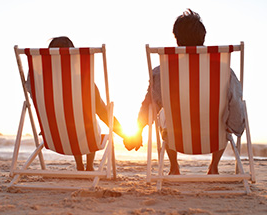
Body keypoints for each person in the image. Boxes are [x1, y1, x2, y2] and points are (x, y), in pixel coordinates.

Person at [124, 9, 245, 175]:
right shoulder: (224, 71)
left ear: (177, 39)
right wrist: (236, 127)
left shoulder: (163, 72)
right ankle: (213, 167)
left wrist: (137, 131)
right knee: (224, 114)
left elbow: (149, 104)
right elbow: (236, 105)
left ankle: (174, 167)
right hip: (213, 138)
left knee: (164, 115)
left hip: (177, 139)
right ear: (203, 38)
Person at [26, 36, 124, 171]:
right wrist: (126, 136)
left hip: (55, 136)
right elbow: (102, 112)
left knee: (71, 121)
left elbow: (37, 100)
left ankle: (79, 165)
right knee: (86, 121)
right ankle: (89, 166)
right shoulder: (83, 79)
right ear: (73, 55)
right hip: (84, 136)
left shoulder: (37, 80)